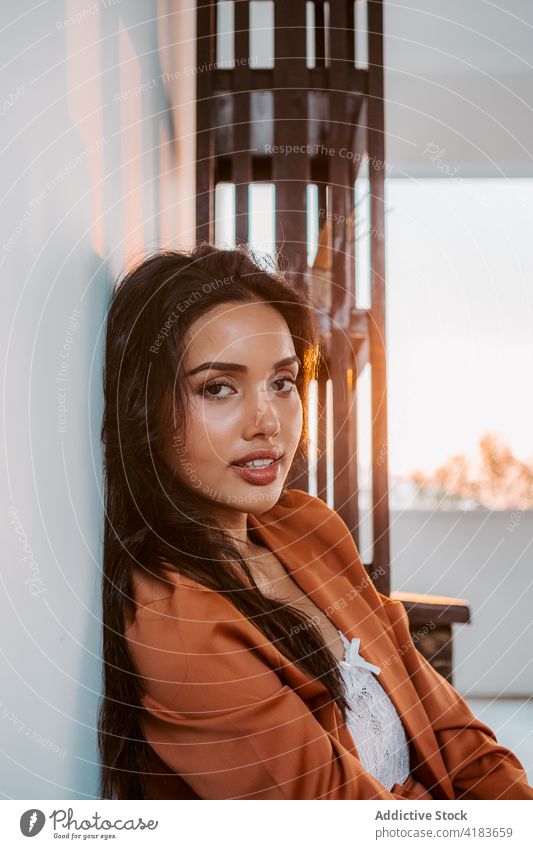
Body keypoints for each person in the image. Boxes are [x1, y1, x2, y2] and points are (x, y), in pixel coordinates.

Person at [98, 243, 533, 800]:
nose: (267, 422)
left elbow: (455, 733)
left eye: (282, 382)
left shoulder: (310, 527)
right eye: (218, 387)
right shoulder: (178, 620)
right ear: (146, 407)